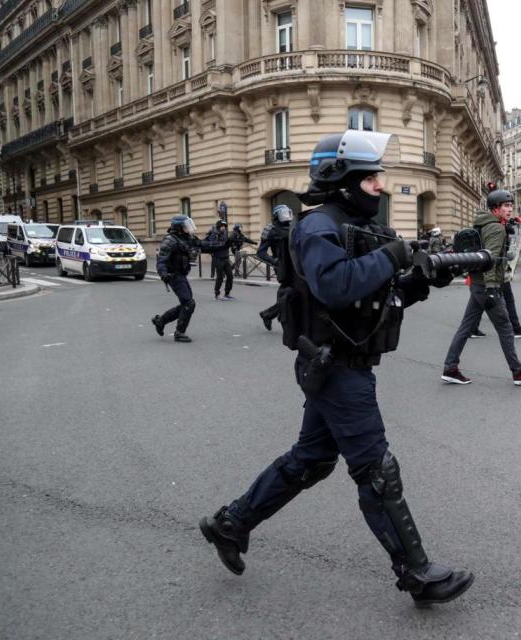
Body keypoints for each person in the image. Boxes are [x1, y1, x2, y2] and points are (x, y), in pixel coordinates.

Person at [199, 130, 474, 608]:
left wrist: (422, 280)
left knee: (311, 459)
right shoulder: (316, 227)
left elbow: (376, 301)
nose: (379, 185)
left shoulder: (358, 227)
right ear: (343, 180)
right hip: (334, 367)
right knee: (376, 470)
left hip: (345, 362)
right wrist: (392, 257)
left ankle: (230, 524)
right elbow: (334, 287)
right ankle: (417, 572)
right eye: (370, 178)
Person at [441, 189, 521, 386]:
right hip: (487, 286)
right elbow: (491, 258)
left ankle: (450, 367)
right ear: (495, 208)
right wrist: (491, 288)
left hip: (477, 284)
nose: (510, 209)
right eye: (506, 206)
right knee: (505, 328)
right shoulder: (495, 228)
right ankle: (518, 372)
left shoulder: (482, 223)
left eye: (511, 205)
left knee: (465, 327)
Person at [151, 215, 224, 342]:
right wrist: (163, 274)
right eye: (186, 225)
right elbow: (161, 261)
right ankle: (179, 333)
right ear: (178, 227)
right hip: (173, 275)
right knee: (189, 304)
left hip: (182, 274)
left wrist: (223, 244)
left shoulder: (187, 238)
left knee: (186, 304)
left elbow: (203, 245)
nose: (188, 228)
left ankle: (161, 320)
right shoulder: (170, 240)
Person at [256, 205, 294, 331]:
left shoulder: (293, 226)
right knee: (293, 293)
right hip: (283, 266)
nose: (287, 216)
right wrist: (276, 262)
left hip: (296, 265)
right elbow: (261, 252)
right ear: (276, 216)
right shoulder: (271, 229)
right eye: (283, 213)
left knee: (288, 292)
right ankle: (271, 315)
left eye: (287, 212)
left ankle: (272, 315)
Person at [206, 220, 234, 300]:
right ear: (218, 226)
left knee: (230, 276)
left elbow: (226, 244)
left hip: (225, 258)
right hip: (218, 258)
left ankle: (227, 293)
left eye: (225, 226)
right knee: (220, 277)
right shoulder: (214, 234)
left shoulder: (225, 234)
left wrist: (230, 243)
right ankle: (217, 294)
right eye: (222, 226)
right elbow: (211, 244)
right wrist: (223, 244)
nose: (224, 228)